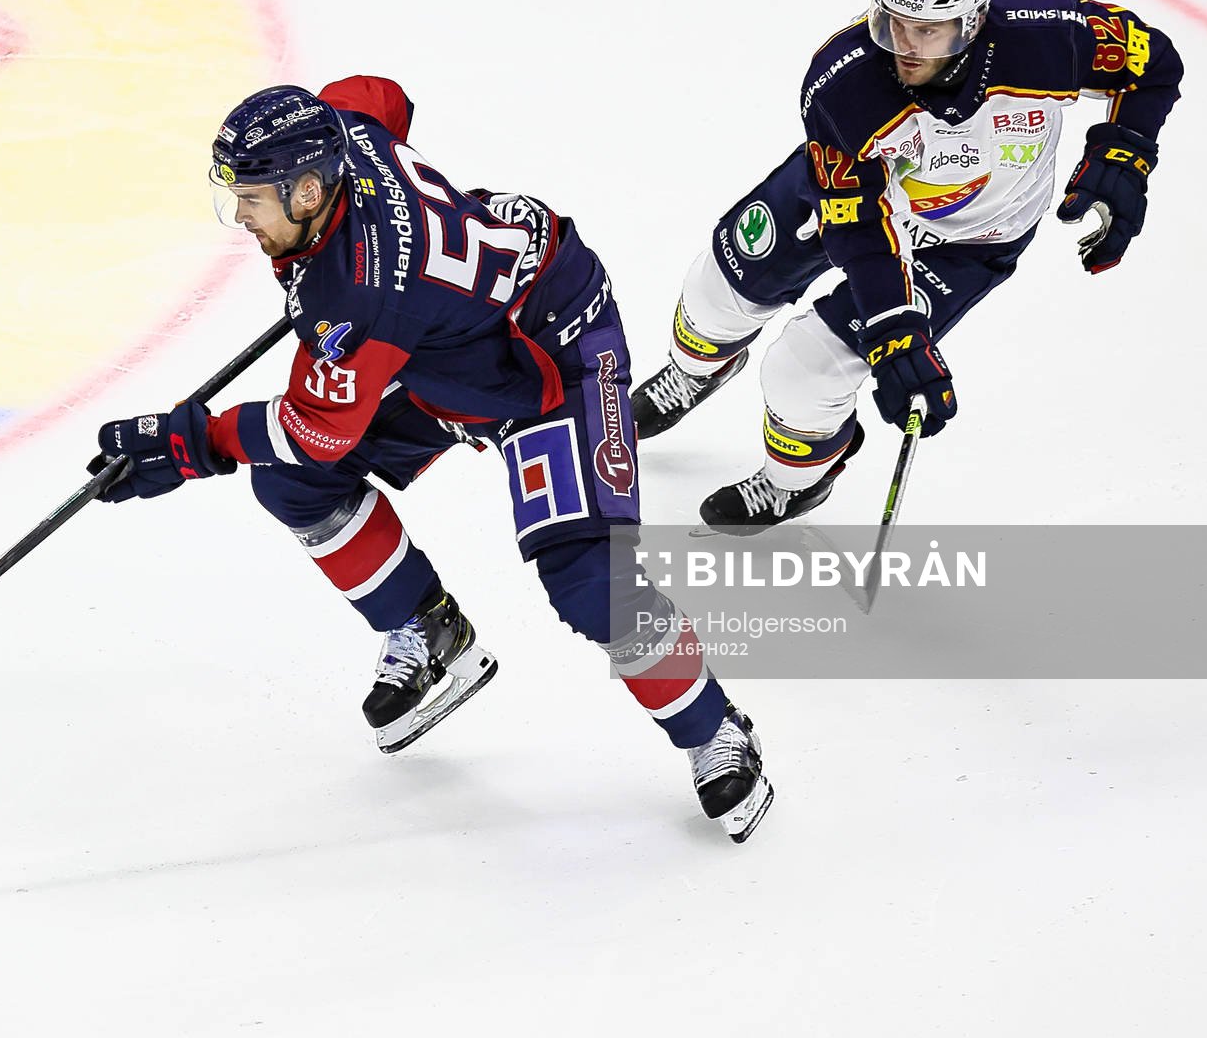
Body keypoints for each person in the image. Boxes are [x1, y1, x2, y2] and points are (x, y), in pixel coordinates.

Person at [91, 77, 772, 842]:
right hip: (444, 346)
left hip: (550, 357)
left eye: (251, 198)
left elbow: (318, 428)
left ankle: (716, 731)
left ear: (308, 190)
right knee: (294, 484)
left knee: (593, 585)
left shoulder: (360, 297)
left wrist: (192, 442)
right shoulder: (341, 136)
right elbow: (380, 97)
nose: (240, 217)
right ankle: (433, 635)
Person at [631, 0, 1183, 528]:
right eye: (894, 23)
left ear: (971, 23)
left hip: (973, 239)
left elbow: (1152, 62)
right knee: (721, 288)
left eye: (927, 30)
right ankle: (693, 371)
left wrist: (1124, 151)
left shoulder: (1049, 36)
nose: (905, 47)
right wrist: (896, 328)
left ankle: (797, 480)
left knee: (805, 370)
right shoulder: (844, 86)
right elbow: (861, 226)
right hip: (866, 195)